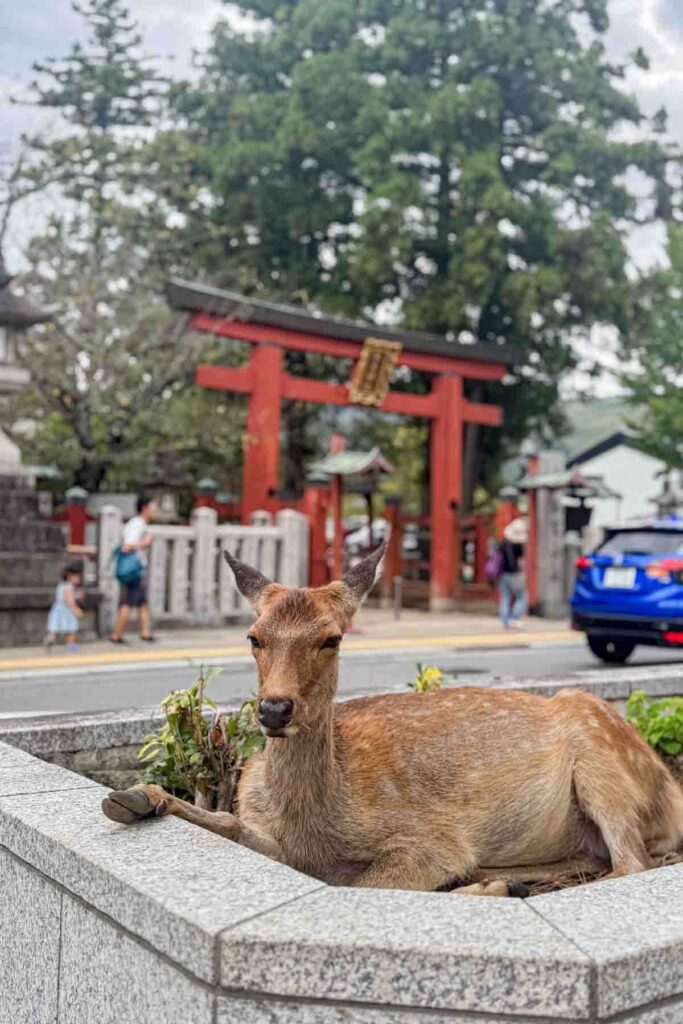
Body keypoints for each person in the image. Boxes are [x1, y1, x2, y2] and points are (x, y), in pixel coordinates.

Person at [110, 495, 158, 644]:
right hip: (133, 570)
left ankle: (145, 632)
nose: (155, 510)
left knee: (142, 602)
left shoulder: (138, 523)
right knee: (128, 602)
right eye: (153, 507)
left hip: (136, 570)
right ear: (145, 508)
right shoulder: (137, 524)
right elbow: (127, 547)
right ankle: (116, 635)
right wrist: (145, 543)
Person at [45, 562, 84, 651]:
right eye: (77, 577)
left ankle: (51, 637)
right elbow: (68, 599)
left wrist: (77, 595)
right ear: (70, 576)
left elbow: (65, 596)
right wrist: (76, 609)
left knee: (56, 626)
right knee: (71, 629)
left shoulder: (61, 585)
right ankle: (71, 646)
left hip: (58, 609)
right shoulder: (68, 586)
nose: (79, 579)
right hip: (67, 610)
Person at [499, 517, 528, 630]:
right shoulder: (518, 546)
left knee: (505, 598)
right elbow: (521, 562)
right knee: (522, 596)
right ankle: (514, 618)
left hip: (504, 573)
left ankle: (505, 621)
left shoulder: (503, 544)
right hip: (516, 574)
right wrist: (522, 572)